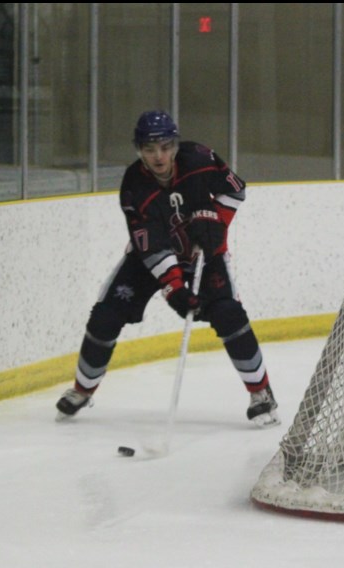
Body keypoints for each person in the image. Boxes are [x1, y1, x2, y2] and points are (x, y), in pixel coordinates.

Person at [55, 110, 279, 427]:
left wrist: (215, 225)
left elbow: (235, 190)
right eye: (149, 149)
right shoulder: (134, 186)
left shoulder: (201, 158)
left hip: (206, 250)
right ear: (138, 151)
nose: (158, 156)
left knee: (228, 313)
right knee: (106, 316)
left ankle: (262, 394)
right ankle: (81, 390)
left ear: (175, 145)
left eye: (164, 147)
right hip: (151, 260)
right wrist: (174, 287)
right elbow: (151, 247)